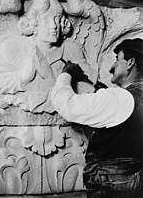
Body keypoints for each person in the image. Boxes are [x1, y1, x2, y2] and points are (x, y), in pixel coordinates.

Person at [51, 38, 143, 198]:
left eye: (117, 60)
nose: (112, 67)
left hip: (112, 189)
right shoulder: (129, 98)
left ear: (130, 63)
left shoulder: (119, 99)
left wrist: (66, 74)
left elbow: (67, 105)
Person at [0, 0, 94, 114]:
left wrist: (52, 79)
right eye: (46, 19)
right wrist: (22, 78)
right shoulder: (13, 47)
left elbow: (90, 88)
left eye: (57, 18)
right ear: (33, 22)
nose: (54, 26)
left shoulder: (71, 49)